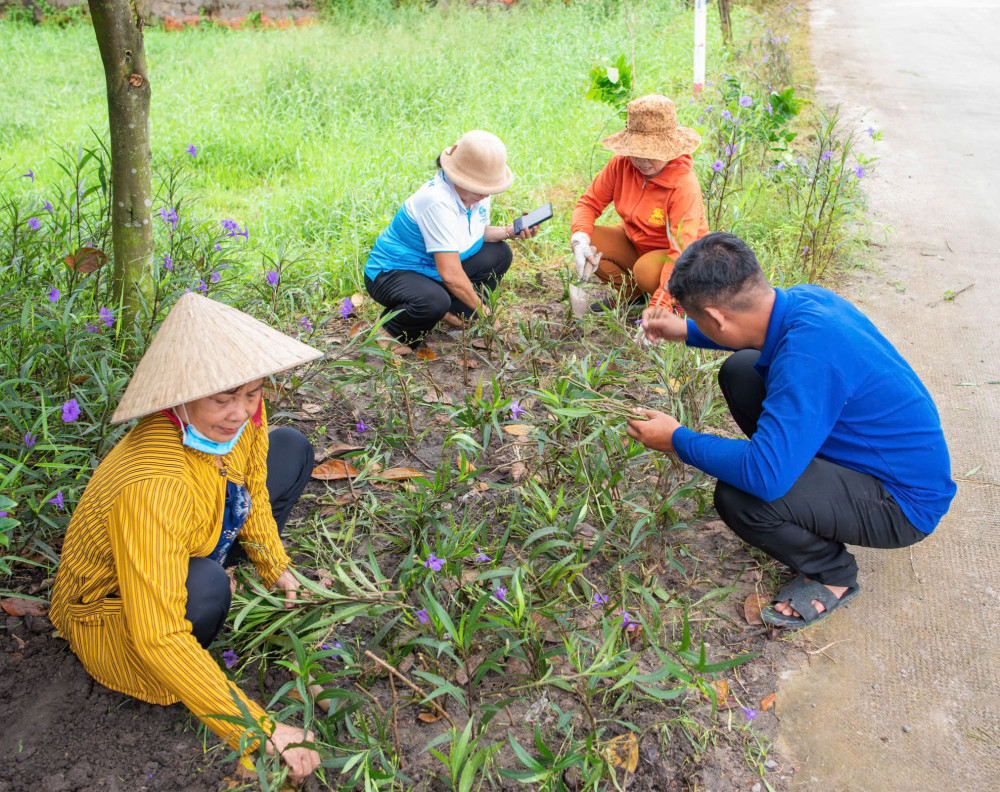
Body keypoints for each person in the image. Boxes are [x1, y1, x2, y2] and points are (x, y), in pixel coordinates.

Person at [50, 293, 324, 783]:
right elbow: (156, 633)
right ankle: (204, 609)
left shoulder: (242, 423)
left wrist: (275, 566)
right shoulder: (154, 483)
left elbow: (253, 489)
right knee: (204, 590)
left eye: (252, 393)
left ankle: (218, 568)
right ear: (181, 395)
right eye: (222, 398)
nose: (240, 413)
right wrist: (258, 728)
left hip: (198, 525)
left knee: (291, 448)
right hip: (112, 608)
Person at [626, 232, 956, 628]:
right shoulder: (804, 300)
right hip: (876, 459)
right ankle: (799, 475)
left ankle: (832, 574)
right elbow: (752, 333)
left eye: (697, 319)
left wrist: (678, 440)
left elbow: (762, 478)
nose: (695, 324)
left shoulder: (807, 359)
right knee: (742, 371)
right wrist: (685, 331)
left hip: (903, 504)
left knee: (743, 496)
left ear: (717, 317)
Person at [364, 130, 538, 349]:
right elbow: (451, 274)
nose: (485, 195)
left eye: (488, 188)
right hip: (392, 272)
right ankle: (391, 331)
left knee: (499, 253)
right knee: (433, 301)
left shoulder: (474, 194)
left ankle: (459, 313)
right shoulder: (436, 201)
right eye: (479, 187)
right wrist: (486, 314)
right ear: (458, 176)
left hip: (433, 267)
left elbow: (471, 232)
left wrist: (507, 231)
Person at [571, 94, 709, 313]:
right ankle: (634, 298)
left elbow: (681, 252)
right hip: (638, 246)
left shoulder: (683, 184)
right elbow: (588, 203)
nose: (642, 162)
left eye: (652, 153)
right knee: (591, 238)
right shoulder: (620, 165)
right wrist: (579, 239)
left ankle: (676, 305)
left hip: (678, 262)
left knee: (644, 270)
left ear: (669, 150)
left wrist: (658, 308)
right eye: (637, 152)